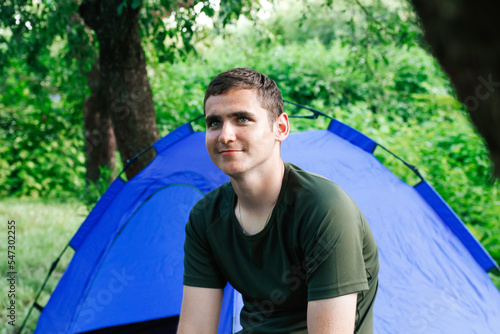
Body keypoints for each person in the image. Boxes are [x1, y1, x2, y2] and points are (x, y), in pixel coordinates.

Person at [177, 68, 379, 334]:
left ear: (280, 128)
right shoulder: (206, 216)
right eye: (214, 123)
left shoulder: (324, 209)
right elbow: (195, 329)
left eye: (242, 119)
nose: (225, 135)